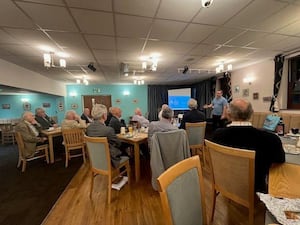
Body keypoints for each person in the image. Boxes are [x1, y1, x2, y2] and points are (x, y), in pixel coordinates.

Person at [211, 98, 285, 193]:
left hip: (225, 183)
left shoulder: (217, 135)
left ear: (229, 114)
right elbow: (280, 160)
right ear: (251, 114)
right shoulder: (270, 139)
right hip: (256, 187)